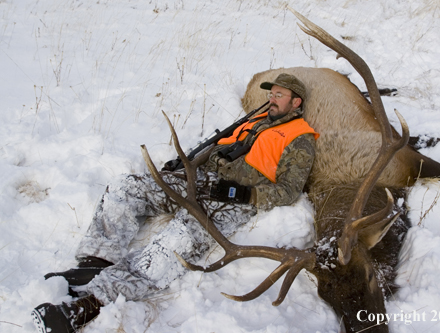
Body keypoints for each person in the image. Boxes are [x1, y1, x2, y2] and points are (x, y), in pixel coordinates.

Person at [31, 74, 318, 333]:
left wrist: (246, 196)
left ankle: (89, 305)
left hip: (232, 200)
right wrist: (184, 166)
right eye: (271, 93)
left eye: (279, 95)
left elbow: (289, 191)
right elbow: (217, 147)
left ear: (296, 102)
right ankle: (94, 263)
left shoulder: (300, 140)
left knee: (177, 241)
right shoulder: (256, 122)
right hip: (201, 178)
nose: (271, 98)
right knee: (127, 187)